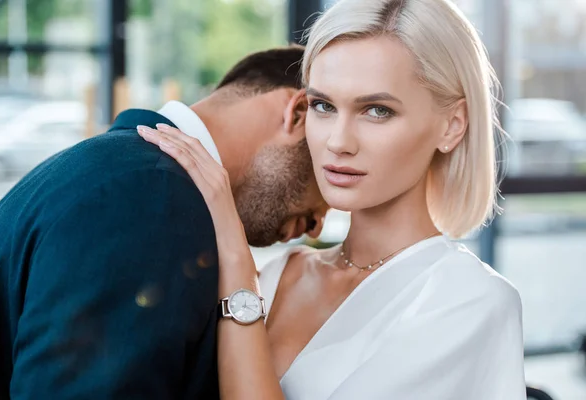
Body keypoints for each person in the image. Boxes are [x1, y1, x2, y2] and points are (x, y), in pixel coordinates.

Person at [139, 0, 526, 399]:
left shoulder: (471, 301)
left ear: (452, 125)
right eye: (323, 106)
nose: (338, 142)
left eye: (377, 110)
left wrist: (236, 262)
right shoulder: (277, 275)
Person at [0, 46, 328, 399]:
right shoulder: (153, 196)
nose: (318, 226)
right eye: (327, 171)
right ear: (299, 112)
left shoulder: (125, 171)